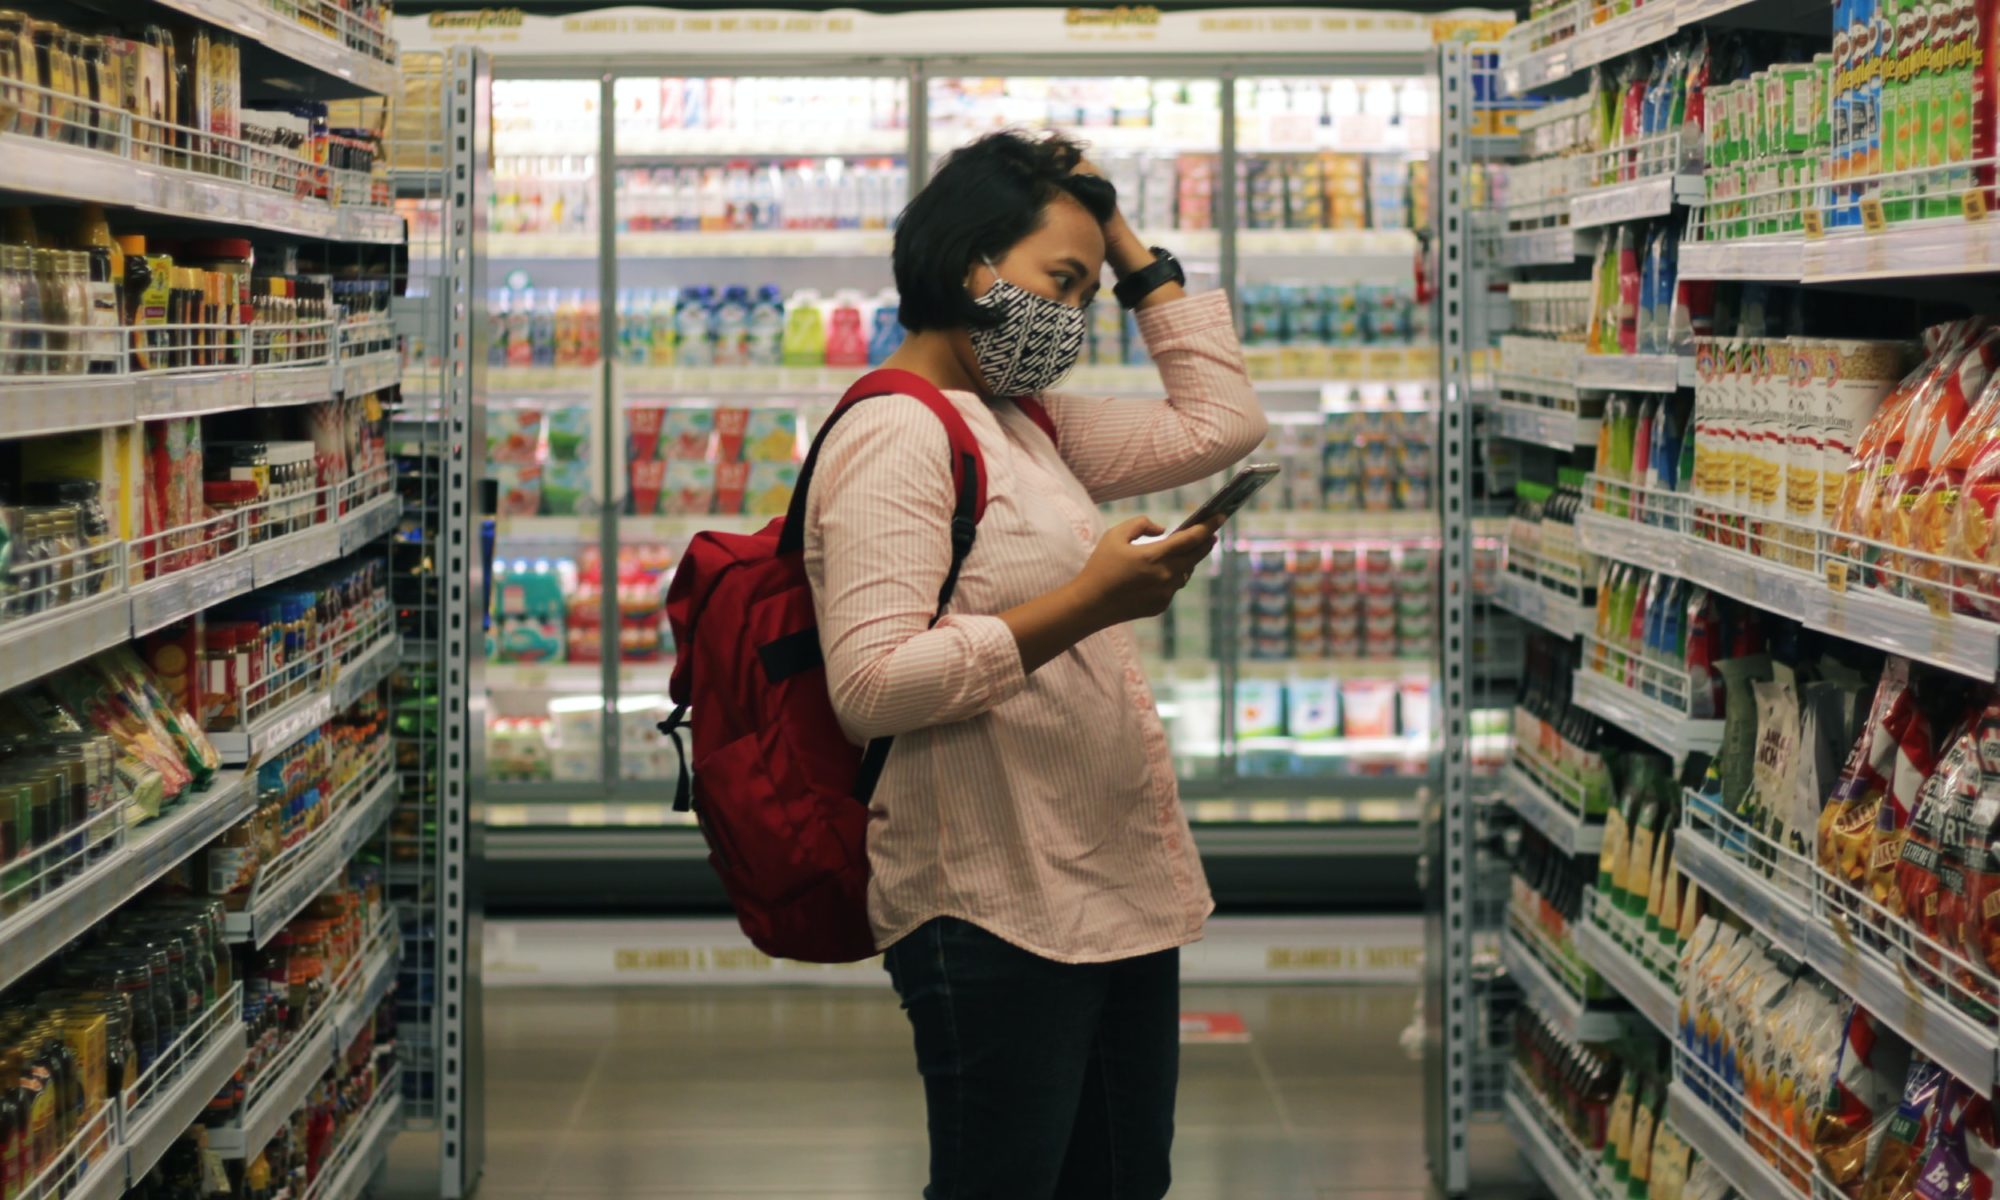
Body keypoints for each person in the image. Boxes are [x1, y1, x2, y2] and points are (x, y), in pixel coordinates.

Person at [802, 128, 1267, 1199]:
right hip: (991, 901)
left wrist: (1115, 236)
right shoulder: (897, 433)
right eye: (1060, 282)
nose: (1069, 318)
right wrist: (1087, 604)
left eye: (1087, 295)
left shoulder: (1026, 423)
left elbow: (1221, 419)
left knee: (1116, 1184)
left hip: (1107, 885)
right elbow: (869, 688)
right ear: (974, 267)